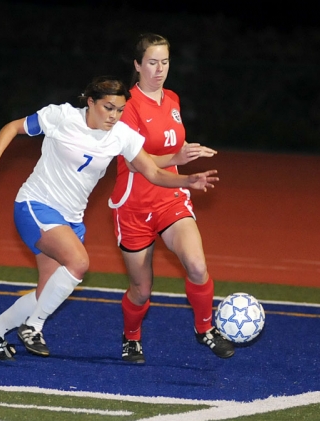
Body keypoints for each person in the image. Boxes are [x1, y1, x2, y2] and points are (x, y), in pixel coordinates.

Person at [0, 76, 219, 361]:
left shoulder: (121, 135)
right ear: (90, 102)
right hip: (36, 205)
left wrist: (189, 179)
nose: (114, 116)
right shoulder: (61, 116)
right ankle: (33, 326)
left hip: (71, 218)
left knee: (46, 293)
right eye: (108, 108)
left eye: (120, 110)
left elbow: (152, 172)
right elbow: (13, 127)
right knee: (79, 262)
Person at [109, 33, 235, 363]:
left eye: (165, 62)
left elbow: (171, 147)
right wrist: (181, 163)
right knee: (142, 291)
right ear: (137, 65)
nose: (159, 69)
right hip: (133, 206)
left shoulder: (173, 100)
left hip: (170, 199)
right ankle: (131, 337)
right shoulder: (129, 107)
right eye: (152, 62)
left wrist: (183, 157)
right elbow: (141, 164)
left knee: (196, 265)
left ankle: (205, 329)